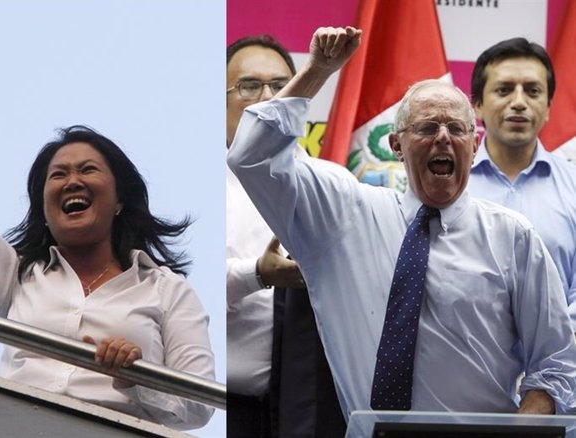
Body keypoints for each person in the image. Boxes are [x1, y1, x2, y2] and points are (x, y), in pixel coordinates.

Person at [228, 26, 576, 419]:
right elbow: (249, 156)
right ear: (396, 145)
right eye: (428, 127)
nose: (443, 138)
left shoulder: (513, 237)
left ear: (474, 145)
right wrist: (318, 71)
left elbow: (557, 364)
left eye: (456, 129)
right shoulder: (343, 217)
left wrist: (519, 429)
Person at [0, 28, 214, 430]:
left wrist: (137, 379)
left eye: (88, 170)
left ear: (120, 199)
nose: (72, 181)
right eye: (58, 175)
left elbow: (200, 406)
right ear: (46, 211)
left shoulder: (169, 291)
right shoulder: (17, 277)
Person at [227, 35, 345, 437]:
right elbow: (177, 289)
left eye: (281, 87)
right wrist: (256, 274)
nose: (268, 98)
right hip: (222, 410)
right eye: (248, 86)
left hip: (317, 415)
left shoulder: (335, 185)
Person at [467, 38, 576, 331]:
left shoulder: (573, 187)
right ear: (477, 105)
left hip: (561, 366)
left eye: (533, 91)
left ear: (548, 107)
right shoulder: (449, 189)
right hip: (467, 366)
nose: (518, 102)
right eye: (504, 90)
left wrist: (554, 349)